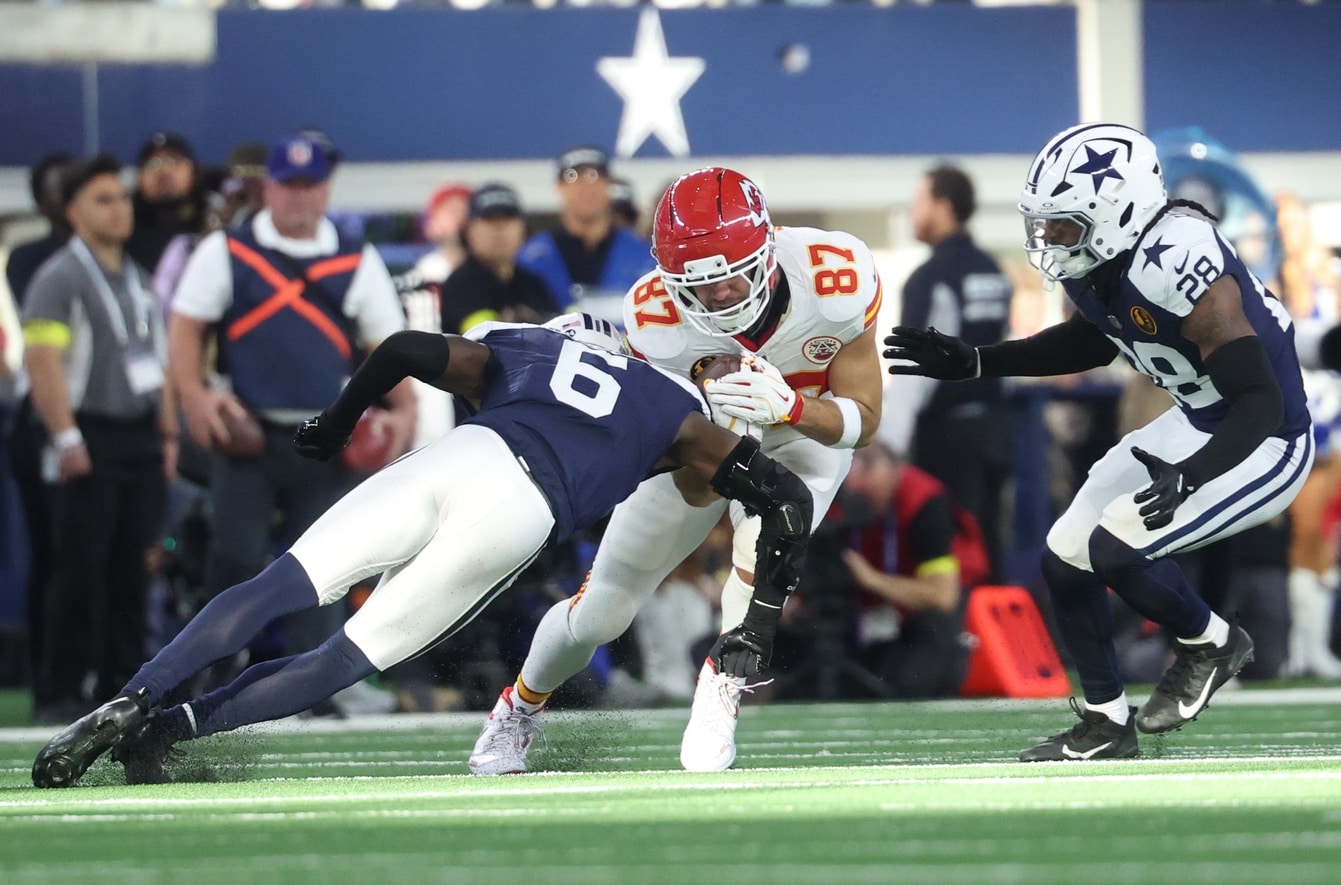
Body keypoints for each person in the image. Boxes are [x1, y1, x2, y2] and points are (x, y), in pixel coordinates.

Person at [30, 313, 812, 788]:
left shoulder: (527, 346)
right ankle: (167, 731)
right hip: (520, 510)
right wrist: (758, 620)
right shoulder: (683, 416)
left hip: (462, 454)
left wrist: (336, 423)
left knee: (279, 584)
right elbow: (786, 497)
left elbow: (404, 345)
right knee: (339, 659)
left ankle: (134, 695)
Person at [885, 123, 1313, 760]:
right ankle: (1107, 722)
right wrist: (977, 360)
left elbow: (1260, 400)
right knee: (1066, 555)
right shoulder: (1101, 259)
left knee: (1116, 550)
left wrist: (1192, 473)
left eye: (1064, 225)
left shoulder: (1179, 263)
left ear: (1118, 214)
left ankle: (1213, 642)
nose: (1050, 239)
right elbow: (1090, 339)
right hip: (1198, 416)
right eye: (1046, 224)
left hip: (1265, 440)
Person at [473, 166, 884, 774]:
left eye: (731, 277)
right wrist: (717, 416)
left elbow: (865, 420)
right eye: (701, 286)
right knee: (601, 612)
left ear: (768, 252)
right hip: (704, 442)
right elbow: (693, 487)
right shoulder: (656, 319)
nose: (720, 297)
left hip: (805, 432)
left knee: (763, 539)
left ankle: (720, 689)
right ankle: (518, 707)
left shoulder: (834, 274)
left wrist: (790, 406)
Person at [167, 131, 416, 687]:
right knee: (235, 560)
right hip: (247, 433)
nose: (300, 196)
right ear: (269, 189)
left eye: (311, 185)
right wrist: (195, 397)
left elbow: (388, 344)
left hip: (324, 435)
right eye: (289, 185)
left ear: (325, 189)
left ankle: (309, 688)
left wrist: (404, 412)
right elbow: (185, 326)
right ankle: (202, 679)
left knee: (324, 569)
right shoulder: (228, 250)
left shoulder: (355, 257)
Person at [20, 154, 176, 722]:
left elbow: (158, 363)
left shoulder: (138, 279)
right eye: (103, 200)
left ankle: (124, 689)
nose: (119, 209)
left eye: (122, 198)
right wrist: (65, 437)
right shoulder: (59, 277)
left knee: (134, 570)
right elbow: (42, 361)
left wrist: (168, 435)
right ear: (73, 212)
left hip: (138, 438)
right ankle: (61, 690)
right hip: (89, 433)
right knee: (81, 568)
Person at [881, 165, 1013, 581]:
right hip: (995, 431)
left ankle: (962, 622)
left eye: (918, 201)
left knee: (951, 548)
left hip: (948, 439)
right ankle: (996, 617)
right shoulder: (992, 270)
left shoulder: (931, 279)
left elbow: (913, 367)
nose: (910, 211)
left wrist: (888, 445)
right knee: (989, 541)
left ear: (943, 206)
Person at [838, 441, 990, 698]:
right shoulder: (835, 501)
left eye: (869, 473)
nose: (862, 497)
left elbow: (943, 596)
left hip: (923, 604)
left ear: (897, 471)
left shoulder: (924, 502)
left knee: (915, 674)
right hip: (861, 606)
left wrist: (872, 579)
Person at [517, 146, 655, 319]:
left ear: (609, 185)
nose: (586, 187)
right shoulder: (532, 258)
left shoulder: (642, 256)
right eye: (572, 176)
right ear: (559, 187)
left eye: (593, 176)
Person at [439, 183, 558, 335]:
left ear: (523, 229)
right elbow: (479, 336)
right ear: (468, 231)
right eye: (489, 220)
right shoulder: (458, 287)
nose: (499, 230)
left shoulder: (533, 284)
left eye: (507, 220)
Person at [125, 132, 209, 274]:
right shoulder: (124, 232)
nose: (164, 171)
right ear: (139, 177)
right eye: (153, 163)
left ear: (193, 173)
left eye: (174, 161)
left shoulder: (211, 225)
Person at [5, 152, 76, 306]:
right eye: (61, 190)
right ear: (40, 206)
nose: (71, 199)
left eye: (75, 189)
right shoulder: (26, 258)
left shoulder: (115, 251)